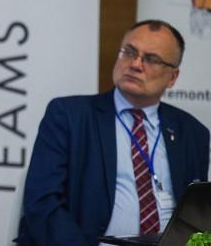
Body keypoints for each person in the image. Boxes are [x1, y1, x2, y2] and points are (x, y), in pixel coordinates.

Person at [18, 19, 209, 245]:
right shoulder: (69, 116)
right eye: (129, 52)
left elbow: (196, 216)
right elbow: (42, 202)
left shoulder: (193, 133)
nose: (135, 64)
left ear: (172, 77)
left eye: (151, 59)